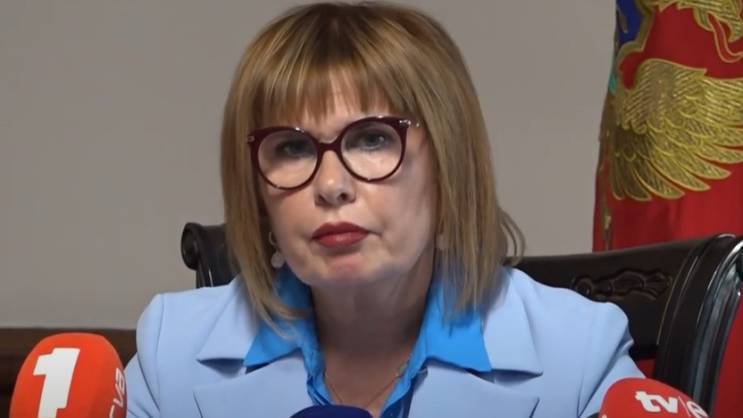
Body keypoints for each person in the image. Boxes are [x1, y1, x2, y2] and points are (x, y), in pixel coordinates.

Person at [124, 2, 643, 417]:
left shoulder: (578, 357)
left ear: (448, 166)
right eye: (293, 147)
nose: (331, 186)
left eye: (372, 139)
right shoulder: (172, 353)